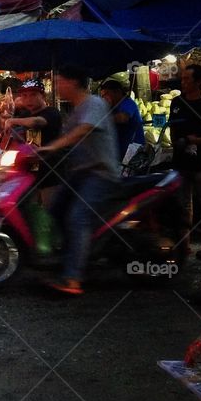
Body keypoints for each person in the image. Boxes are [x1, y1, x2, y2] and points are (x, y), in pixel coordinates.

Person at [38, 66, 120, 296]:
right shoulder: (74, 110)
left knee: (77, 217)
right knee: (55, 208)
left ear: (73, 82)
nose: (56, 86)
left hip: (101, 175)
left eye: (60, 81)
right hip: (81, 173)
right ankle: (70, 256)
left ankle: (73, 278)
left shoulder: (94, 104)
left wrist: (54, 145)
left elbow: (83, 131)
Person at [169, 64, 201, 254]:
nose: (183, 82)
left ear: (199, 82)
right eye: (183, 78)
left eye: (187, 79)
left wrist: (196, 140)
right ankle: (183, 245)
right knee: (182, 204)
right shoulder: (177, 102)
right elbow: (172, 126)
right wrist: (174, 140)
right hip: (181, 162)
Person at [4, 79, 62, 146]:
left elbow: (36, 122)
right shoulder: (25, 114)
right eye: (24, 95)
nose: (28, 99)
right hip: (32, 154)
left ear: (43, 96)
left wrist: (12, 121)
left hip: (53, 155)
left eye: (33, 95)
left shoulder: (52, 112)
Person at [98, 79, 145, 161]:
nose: (104, 98)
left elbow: (123, 118)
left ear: (117, 92)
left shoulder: (128, 103)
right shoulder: (112, 107)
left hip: (133, 150)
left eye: (106, 94)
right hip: (118, 150)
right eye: (102, 96)